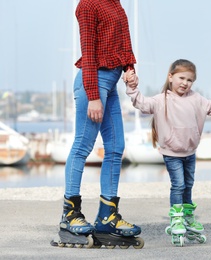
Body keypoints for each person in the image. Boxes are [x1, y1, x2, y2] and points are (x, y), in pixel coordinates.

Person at [54, 0, 143, 249]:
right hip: (92, 83)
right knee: (82, 146)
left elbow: (123, 42)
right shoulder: (88, 5)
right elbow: (89, 52)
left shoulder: (115, 3)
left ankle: (107, 218)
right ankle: (69, 216)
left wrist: (129, 68)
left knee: (116, 147)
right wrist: (93, 95)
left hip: (111, 82)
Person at [124, 59, 211, 246]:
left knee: (188, 185)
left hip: (190, 152)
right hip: (171, 153)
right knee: (178, 185)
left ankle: (187, 217)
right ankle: (176, 217)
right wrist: (132, 87)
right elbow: (141, 104)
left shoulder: (197, 99)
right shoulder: (161, 100)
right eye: (181, 78)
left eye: (190, 80)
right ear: (170, 77)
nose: (185, 83)